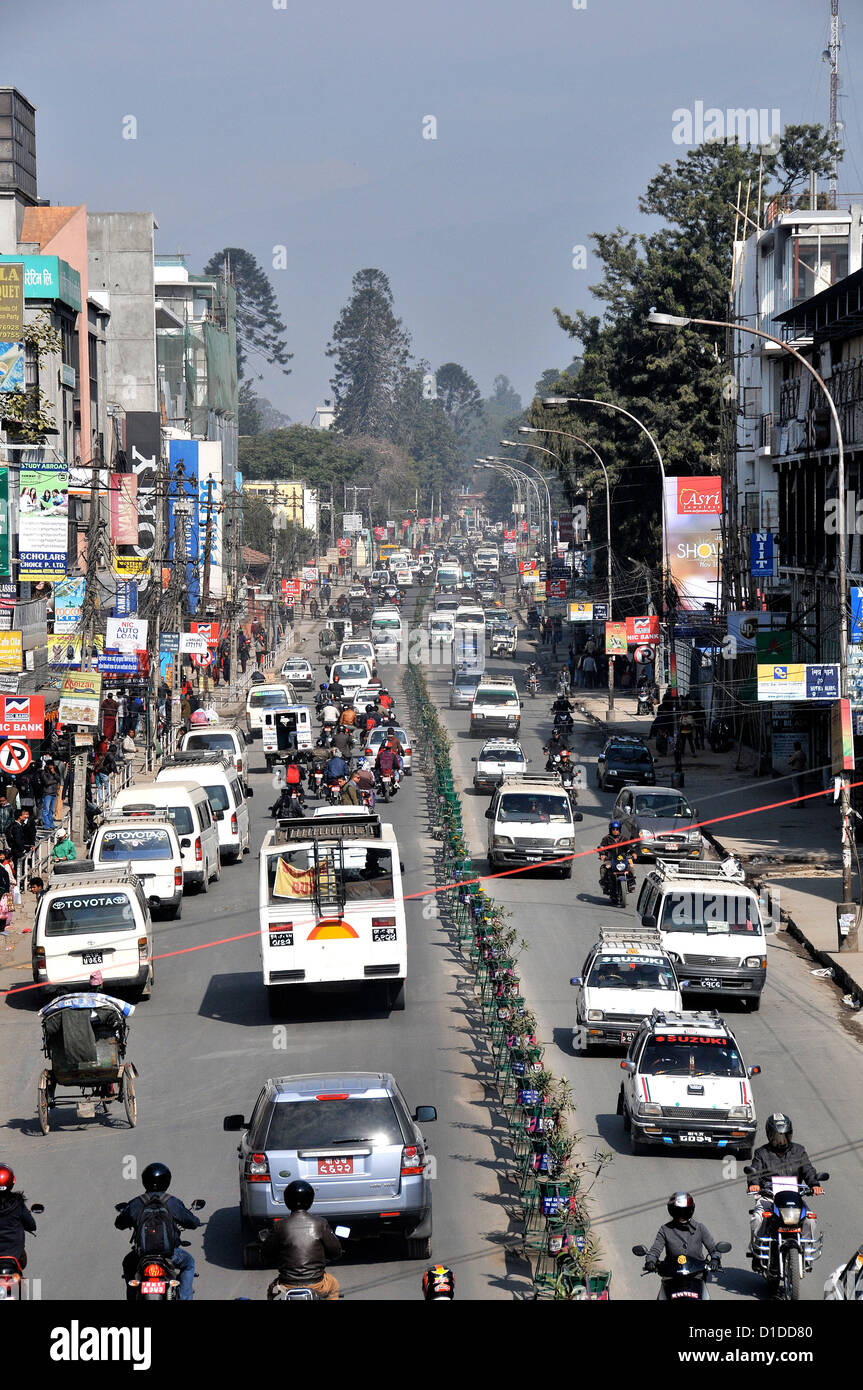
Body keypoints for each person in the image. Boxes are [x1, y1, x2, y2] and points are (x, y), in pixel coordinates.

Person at [115, 1161, 202, 1301]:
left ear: (145, 1181)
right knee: (188, 1263)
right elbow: (192, 1222)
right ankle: (185, 1297)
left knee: (127, 1263)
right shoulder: (172, 1201)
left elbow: (119, 1224)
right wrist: (194, 1222)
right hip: (170, 1255)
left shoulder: (137, 1202)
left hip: (141, 1256)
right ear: (167, 1181)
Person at [746, 1113, 823, 1254]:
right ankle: (757, 1248)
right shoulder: (761, 1153)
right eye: (777, 1137)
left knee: (810, 1219)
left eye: (785, 1136)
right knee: (758, 1218)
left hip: (793, 1198)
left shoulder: (799, 1151)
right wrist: (754, 1184)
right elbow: (754, 1171)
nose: (781, 1141)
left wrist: (815, 1185)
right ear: (770, 1136)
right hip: (769, 1197)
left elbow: (808, 1169)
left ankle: (806, 1252)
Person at [267, 1180, 341, 1301]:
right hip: (317, 1284)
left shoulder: (279, 1226)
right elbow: (336, 1252)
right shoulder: (320, 1224)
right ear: (310, 1200)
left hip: (286, 1285)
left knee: (272, 1292)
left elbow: (266, 1254)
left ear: (287, 1200)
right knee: (333, 1285)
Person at [644, 1192, 719, 1301]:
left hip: (696, 1277)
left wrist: (715, 1259)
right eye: (677, 1212)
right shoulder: (665, 1230)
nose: (681, 1216)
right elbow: (655, 1249)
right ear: (671, 1211)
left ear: (691, 1210)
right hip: (671, 1278)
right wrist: (650, 1261)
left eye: (684, 1212)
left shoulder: (700, 1228)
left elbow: (714, 1249)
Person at [0, 1166, 38, 1273]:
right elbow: (32, 1226)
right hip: (15, 1257)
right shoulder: (17, 1204)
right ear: (12, 1181)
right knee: (30, 1285)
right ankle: (29, 1289)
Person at [598, 819, 634, 892]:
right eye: (613, 829)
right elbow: (601, 847)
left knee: (631, 867)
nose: (615, 831)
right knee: (603, 868)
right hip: (610, 859)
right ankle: (605, 885)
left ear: (619, 830)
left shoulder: (624, 839)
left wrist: (633, 853)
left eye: (617, 829)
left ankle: (630, 884)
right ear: (610, 830)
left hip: (622, 859)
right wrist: (602, 854)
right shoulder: (606, 839)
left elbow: (629, 847)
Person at [40, 760, 60, 832]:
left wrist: (54, 773)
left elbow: (59, 779)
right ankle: (46, 824)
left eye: (52, 765)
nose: (52, 767)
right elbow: (46, 782)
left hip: (54, 793)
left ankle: (51, 823)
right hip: (47, 793)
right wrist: (55, 781)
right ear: (47, 765)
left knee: (51, 810)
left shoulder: (55, 771)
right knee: (46, 810)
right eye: (50, 765)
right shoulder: (43, 772)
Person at [789, 742, 807, 807]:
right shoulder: (803, 753)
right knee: (801, 788)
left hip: (796, 771)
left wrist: (790, 757)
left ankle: (798, 803)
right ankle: (802, 802)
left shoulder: (796, 753)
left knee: (796, 788)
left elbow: (790, 761)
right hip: (802, 771)